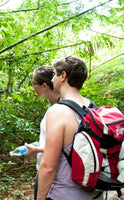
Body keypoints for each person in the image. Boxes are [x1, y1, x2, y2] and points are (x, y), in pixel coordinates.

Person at [37, 56, 103, 200]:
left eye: (54, 74)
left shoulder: (58, 112)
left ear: (63, 76)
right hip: (94, 194)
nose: (52, 79)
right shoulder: (93, 109)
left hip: (64, 194)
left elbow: (48, 167)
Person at [24, 65, 59, 200]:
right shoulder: (51, 105)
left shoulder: (61, 108)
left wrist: (37, 149)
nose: (33, 87)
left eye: (34, 84)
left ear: (44, 85)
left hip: (54, 175)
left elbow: (64, 147)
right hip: (44, 170)